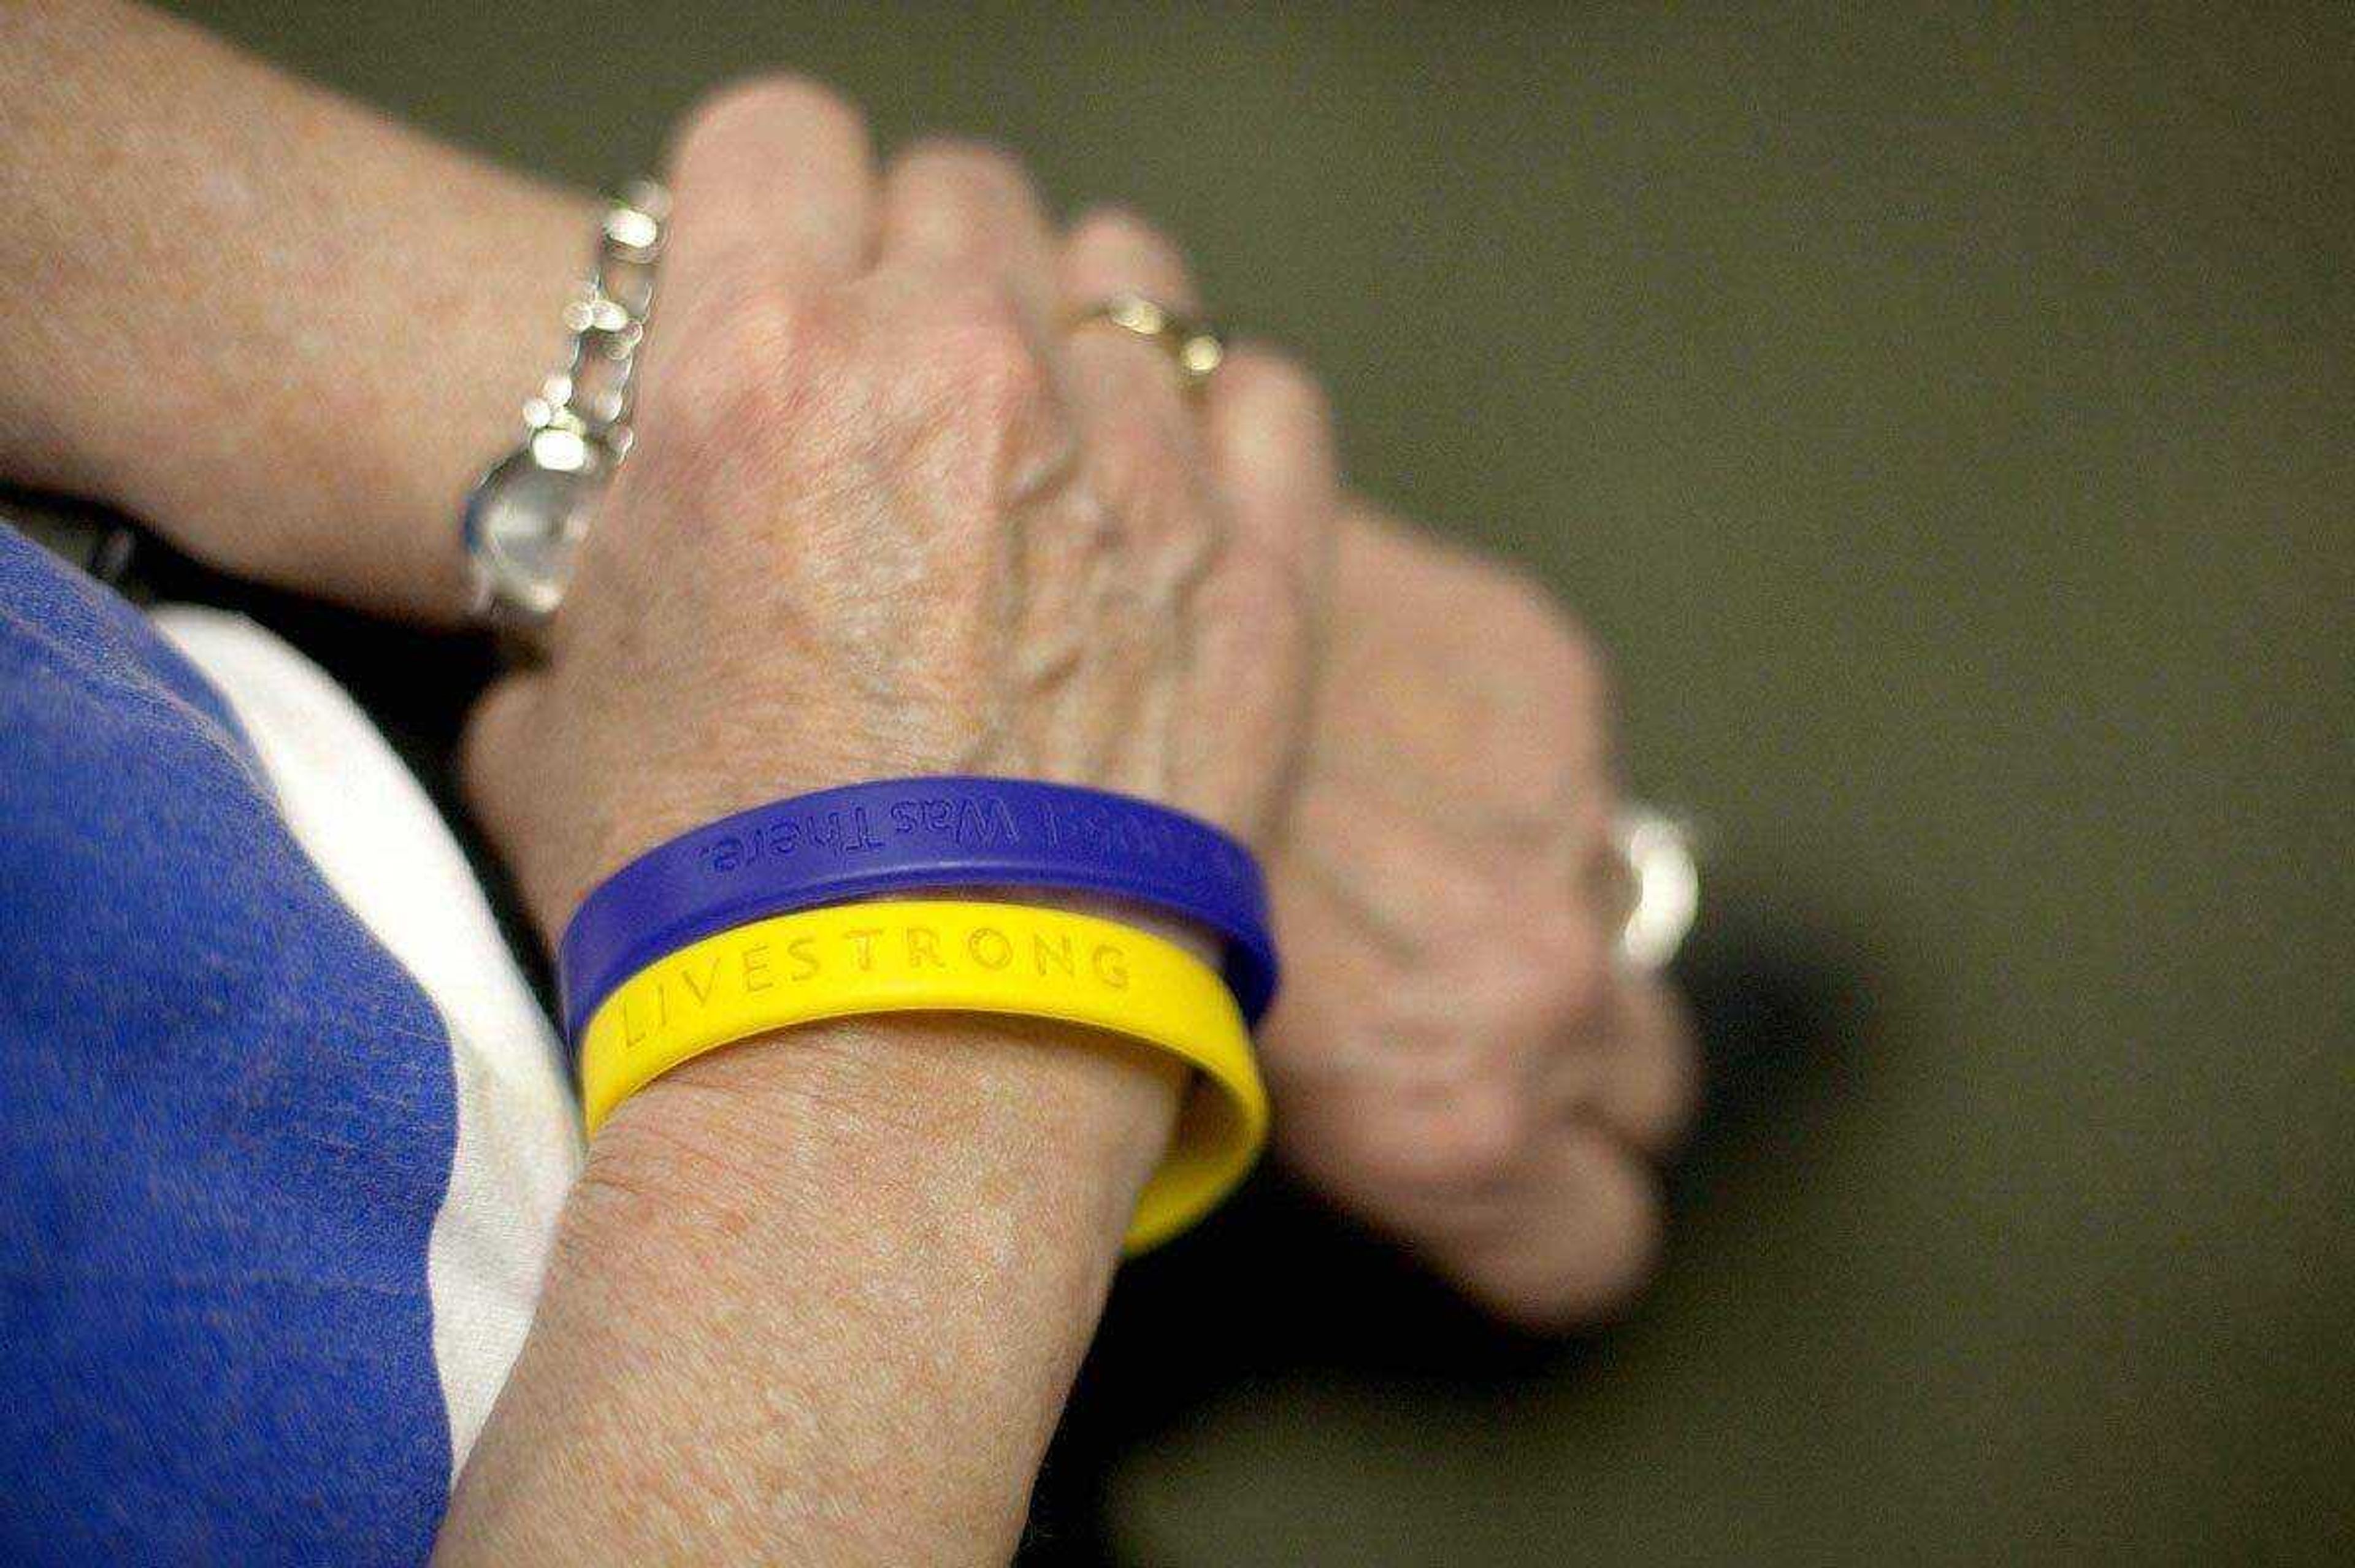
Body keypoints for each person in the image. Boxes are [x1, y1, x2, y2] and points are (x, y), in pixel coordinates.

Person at [0, 1, 1696, 1559]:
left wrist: (728, 446)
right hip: (734, 1315)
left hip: (275, 698)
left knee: (1417, 1043)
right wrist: (928, 1085)